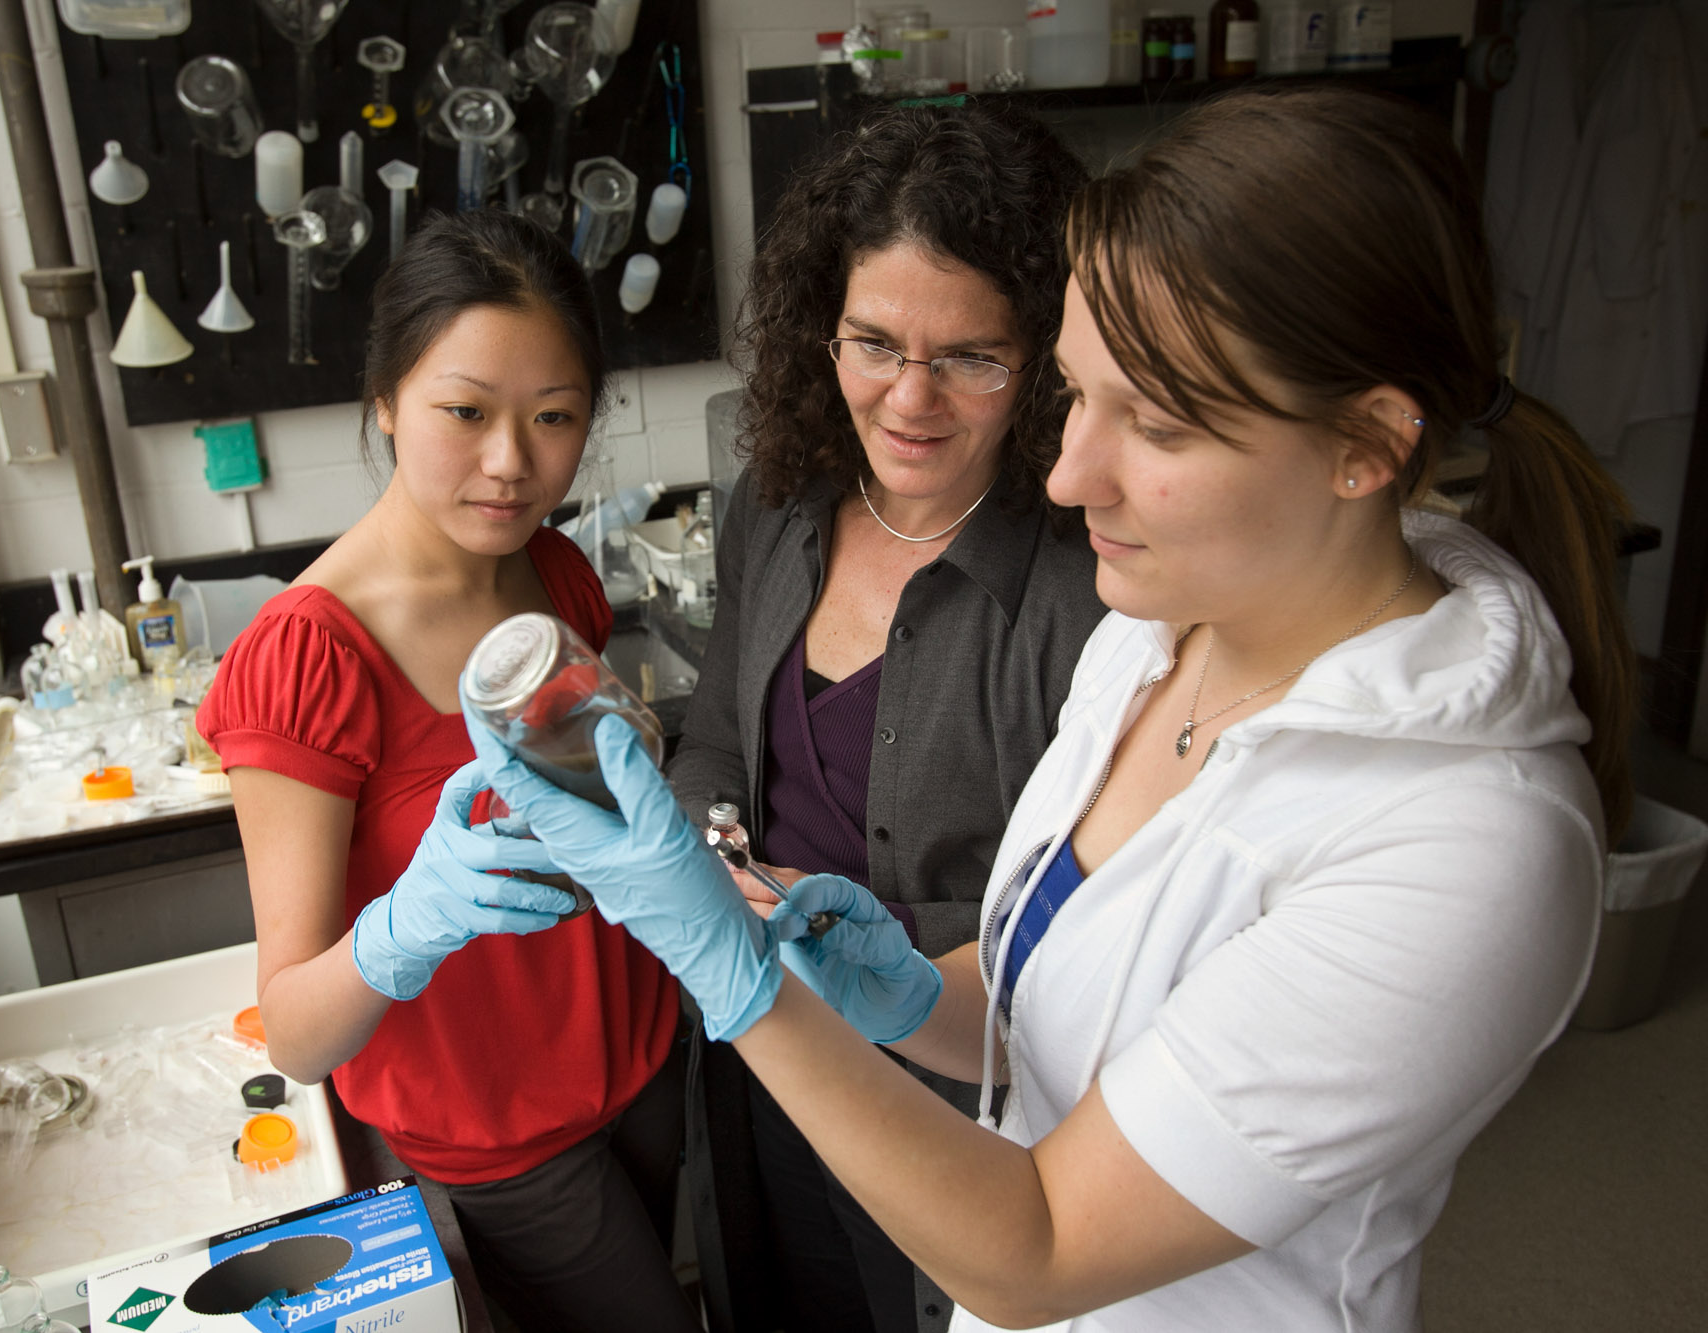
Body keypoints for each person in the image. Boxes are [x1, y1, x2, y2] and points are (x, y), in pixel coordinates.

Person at [461, 86, 1634, 1332]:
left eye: (1158, 422)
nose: (1067, 474)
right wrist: (907, 992)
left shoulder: (1463, 844)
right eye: (1075, 395)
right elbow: (1046, 1011)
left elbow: (1041, 1248)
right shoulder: (1154, 636)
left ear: (1365, 445)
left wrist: (733, 968)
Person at [194, 211, 693, 1333]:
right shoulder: (306, 656)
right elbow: (296, 1030)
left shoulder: (553, 571)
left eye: (554, 418)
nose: (512, 462)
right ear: (383, 401)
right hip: (495, 1138)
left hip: (644, 1061)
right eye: (464, 412)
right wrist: (403, 925)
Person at [666, 97, 1108, 1333]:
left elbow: (1099, 918)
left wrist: (864, 941)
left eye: (970, 356)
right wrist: (714, 859)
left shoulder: (1086, 586)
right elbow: (712, 730)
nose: (909, 400)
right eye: (872, 344)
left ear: (1047, 362)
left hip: (957, 1082)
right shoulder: (781, 495)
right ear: (824, 329)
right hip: (763, 1041)